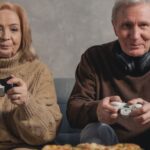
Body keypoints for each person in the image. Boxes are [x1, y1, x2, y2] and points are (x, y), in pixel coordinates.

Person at [66, 0, 150, 149]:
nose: (135, 35)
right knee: (94, 130)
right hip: (108, 142)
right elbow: (73, 111)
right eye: (127, 25)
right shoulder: (94, 57)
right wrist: (97, 110)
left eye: (143, 25)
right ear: (115, 27)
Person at [0, 2, 62, 150]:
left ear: (23, 34)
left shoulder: (39, 72)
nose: (5, 36)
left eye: (14, 29)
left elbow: (48, 132)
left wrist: (27, 102)